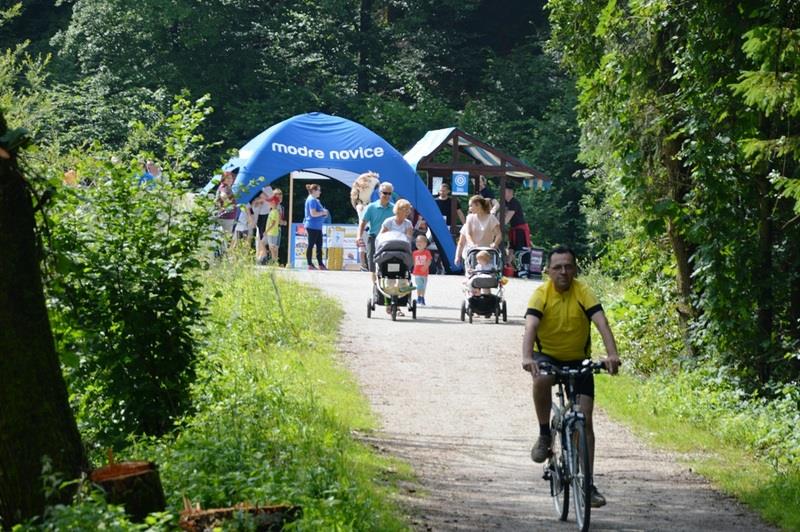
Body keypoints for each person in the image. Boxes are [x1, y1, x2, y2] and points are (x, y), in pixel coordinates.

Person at [521, 246, 621, 508]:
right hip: (547, 356)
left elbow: (601, 322)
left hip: (578, 359)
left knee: (585, 420)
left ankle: (588, 485)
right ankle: (545, 433)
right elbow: (531, 325)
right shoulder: (541, 294)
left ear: (575, 269)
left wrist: (612, 354)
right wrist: (527, 357)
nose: (563, 272)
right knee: (541, 379)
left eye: (568, 266)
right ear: (548, 271)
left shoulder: (583, 292)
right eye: (557, 267)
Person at [357, 181, 396, 280]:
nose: (387, 196)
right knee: (372, 264)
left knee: (387, 263)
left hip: (388, 240)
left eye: (389, 193)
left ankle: (386, 284)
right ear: (379, 193)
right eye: (385, 193)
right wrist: (358, 237)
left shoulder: (394, 208)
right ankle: (375, 286)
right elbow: (363, 223)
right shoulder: (371, 207)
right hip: (373, 238)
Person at [454, 195, 501, 267]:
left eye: (471, 206)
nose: (469, 208)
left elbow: (499, 234)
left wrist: (495, 243)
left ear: (479, 205)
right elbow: (467, 234)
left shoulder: (491, 218)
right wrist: (472, 244)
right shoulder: (469, 218)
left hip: (486, 253)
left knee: (488, 272)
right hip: (473, 252)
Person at [351, 171, 381, 270]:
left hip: (370, 227)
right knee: (363, 247)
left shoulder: (369, 204)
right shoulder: (361, 206)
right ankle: (363, 264)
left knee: (367, 247)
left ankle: (367, 264)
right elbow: (362, 218)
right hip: (365, 228)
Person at [303, 183, 329, 270]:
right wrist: (323, 213)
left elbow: (319, 212)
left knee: (319, 246)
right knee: (311, 245)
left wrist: (324, 213)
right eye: (319, 190)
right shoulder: (311, 200)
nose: (320, 192)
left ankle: (320, 264)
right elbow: (313, 214)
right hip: (312, 226)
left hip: (317, 227)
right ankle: (309, 264)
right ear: (314, 191)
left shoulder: (315, 200)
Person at [502, 184, 531, 253]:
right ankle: (509, 259)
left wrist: (498, 225)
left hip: (520, 230)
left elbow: (507, 219)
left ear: (510, 192)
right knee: (511, 249)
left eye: (504, 191)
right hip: (513, 229)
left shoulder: (514, 202)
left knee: (519, 250)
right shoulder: (505, 202)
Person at [412, 234, 432, 305]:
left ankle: (422, 297)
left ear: (425, 244)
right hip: (417, 273)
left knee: (423, 286)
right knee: (418, 286)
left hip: (424, 273)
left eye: (420, 242)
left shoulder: (427, 252)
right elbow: (413, 262)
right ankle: (418, 297)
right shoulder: (414, 253)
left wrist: (425, 267)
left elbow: (429, 260)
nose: (418, 243)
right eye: (417, 242)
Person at [263, 194, 282, 264]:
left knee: (271, 247)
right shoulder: (275, 211)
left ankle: (274, 260)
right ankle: (275, 260)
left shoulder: (273, 212)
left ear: (273, 203)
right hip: (274, 232)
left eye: (270, 202)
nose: (269, 204)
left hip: (271, 232)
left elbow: (273, 223)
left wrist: (266, 231)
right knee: (273, 246)